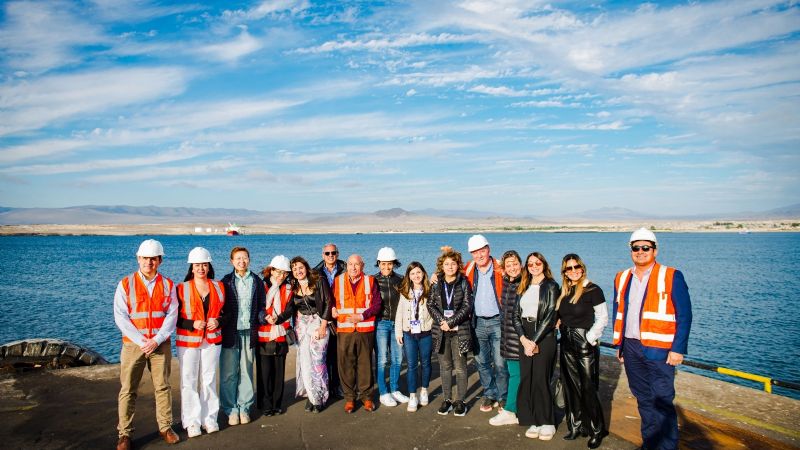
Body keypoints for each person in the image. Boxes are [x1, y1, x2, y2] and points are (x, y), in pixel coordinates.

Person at [613, 228, 692, 450]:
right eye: (636, 248)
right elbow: (618, 311)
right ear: (631, 251)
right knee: (643, 400)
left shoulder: (671, 275)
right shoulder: (622, 277)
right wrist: (619, 345)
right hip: (630, 347)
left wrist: (678, 349)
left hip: (660, 350)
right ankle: (650, 443)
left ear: (655, 250)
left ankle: (667, 447)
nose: (640, 252)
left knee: (663, 401)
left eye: (645, 248)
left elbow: (684, 315)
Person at [113, 239, 180, 450]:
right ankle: (124, 434)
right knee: (128, 389)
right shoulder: (125, 284)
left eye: (153, 259)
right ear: (138, 259)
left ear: (159, 260)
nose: (148, 262)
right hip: (134, 345)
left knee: (162, 387)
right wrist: (143, 341)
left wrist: (157, 339)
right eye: (144, 258)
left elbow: (172, 314)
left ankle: (165, 427)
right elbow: (121, 317)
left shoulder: (168, 285)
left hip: (160, 344)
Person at [557, 254, 608, 449]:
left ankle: (596, 429)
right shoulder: (566, 291)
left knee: (588, 388)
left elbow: (602, 318)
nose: (573, 271)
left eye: (576, 266)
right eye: (568, 268)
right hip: (567, 343)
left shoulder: (593, 289)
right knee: (571, 387)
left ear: (582, 267)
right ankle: (576, 426)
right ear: (564, 272)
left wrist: (589, 338)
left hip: (584, 342)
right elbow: (563, 316)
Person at [270, 256, 333, 412]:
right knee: (304, 362)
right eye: (294, 269)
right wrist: (278, 319)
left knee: (318, 362)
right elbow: (291, 309)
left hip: (318, 323)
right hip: (301, 326)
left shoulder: (319, 280)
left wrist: (323, 325)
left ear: (306, 267)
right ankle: (311, 396)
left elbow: (328, 302)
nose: (298, 271)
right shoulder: (293, 285)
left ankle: (320, 396)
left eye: (301, 267)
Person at [175, 247, 225, 438]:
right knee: (189, 381)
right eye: (197, 265)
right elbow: (173, 318)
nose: (201, 268)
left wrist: (218, 321)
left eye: (204, 264)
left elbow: (227, 313)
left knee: (209, 379)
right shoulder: (181, 288)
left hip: (212, 341)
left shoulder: (219, 287)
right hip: (188, 342)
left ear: (209, 265)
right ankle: (191, 422)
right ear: (191, 267)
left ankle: (209, 418)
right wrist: (191, 323)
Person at [512, 252, 560, 440]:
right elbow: (515, 315)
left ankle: (547, 421)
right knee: (528, 377)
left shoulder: (551, 286)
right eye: (530, 264)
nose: (534, 266)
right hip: (525, 333)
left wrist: (534, 341)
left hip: (544, 336)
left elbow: (550, 316)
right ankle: (534, 418)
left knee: (541, 378)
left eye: (537, 263)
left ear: (544, 264)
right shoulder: (523, 286)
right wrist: (524, 339)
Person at [219, 247, 266, 426]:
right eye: (238, 259)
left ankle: (244, 407)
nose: (242, 261)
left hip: (249, 331)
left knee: (246, 371)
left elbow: (261, 305)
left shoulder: (256, 281)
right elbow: (221, 308)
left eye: (245, 258)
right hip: (230, 333)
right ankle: (230, 409)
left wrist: (262, 317)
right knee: (229, 373)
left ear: (249, 260)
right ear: (232, 261)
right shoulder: (225, 282)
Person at [330, 254, 382, 413]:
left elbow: (377, 304)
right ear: (347, 265)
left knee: (365, 364)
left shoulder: (371, 281)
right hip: (345, 330)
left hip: (365, 329)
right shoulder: (338, 281)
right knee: (345, 364)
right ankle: (350, 398)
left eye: (357, 264)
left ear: (363, 265)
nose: (353, 267)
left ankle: (367, 398)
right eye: (350, 264)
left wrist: (362, 316)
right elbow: (330, 300)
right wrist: (331, 307)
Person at [464, 234, 508, 413]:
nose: (479, 255)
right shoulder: (468, 268)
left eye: (482, 251)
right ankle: (490, 393)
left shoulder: (501, 268)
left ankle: (503, 396)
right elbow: (449, 271)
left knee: (500, 363)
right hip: (477, 322)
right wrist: (436, 275)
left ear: (488, 249)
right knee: (481, 361)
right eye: (475, 252)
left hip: (498, 321)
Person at [428, 246, 473, 417]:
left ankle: (460, 401)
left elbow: (467, 305)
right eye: (446, 264)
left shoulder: (463, 282)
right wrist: (442, 321)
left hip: (459, 330)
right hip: (441, 331)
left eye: (453, 263)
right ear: (442, 266)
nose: (450, 267)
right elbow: (430, 304)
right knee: (445, 366)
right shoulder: (436, 283)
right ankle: (447, 399)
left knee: (460, 368)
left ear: (458, 265)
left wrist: (452, 321)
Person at [489, 250, 525, 427]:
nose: (512, 267)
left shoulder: (525, 283)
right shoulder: (507, 281)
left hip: (520, 336)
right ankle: (516, 408)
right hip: (508, 335)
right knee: (515, 373)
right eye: (508, 265)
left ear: (521, 264)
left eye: (515, 263)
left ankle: (511, 410)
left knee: (516, 374)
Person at [394, 261, 434, 412]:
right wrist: (399, 332)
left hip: (426, 333)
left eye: (418, 272)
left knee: (426, 363)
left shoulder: (430, 290)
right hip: (409, 333)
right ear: (409, 276)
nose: (416, 275)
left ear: (423, 273)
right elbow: (399, 314)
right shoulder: (404, 292)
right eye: (412, 273)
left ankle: (424, 390)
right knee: (411, 365)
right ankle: (412, 395)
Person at [256, 255, 292, 417]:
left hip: (280, 336)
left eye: (284, 273)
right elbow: (256, 307)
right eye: (278, 272)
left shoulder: (289, 288)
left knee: (278, 373)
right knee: (264, 373)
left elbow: (291, 309)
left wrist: (280, 318)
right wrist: (265, 317)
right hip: (263, 336)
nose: (281, 276)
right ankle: (265, 404)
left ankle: (277, 404)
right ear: (271, 270)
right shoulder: (260, 286)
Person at [374, 247, 408, 407]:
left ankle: (395, 389)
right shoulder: (373, 280)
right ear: (378, 263)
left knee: (397, 358)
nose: (386, 267)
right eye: (383, 264)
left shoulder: (401, 280)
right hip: (381, 323)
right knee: (382, 360)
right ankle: (383, 392)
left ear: (394, 264)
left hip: (397, 324)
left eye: (389, 264)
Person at [314, 243, 346, 398]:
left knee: (340, 353)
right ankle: (327, 386)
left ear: (338, 254)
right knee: (325, 354)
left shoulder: (345, 269)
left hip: (342, 315)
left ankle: (339, 385)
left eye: (333, 252)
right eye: (327, 253)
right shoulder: (316, 272)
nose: (331, 255)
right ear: (323, 255)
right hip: (324, 317)